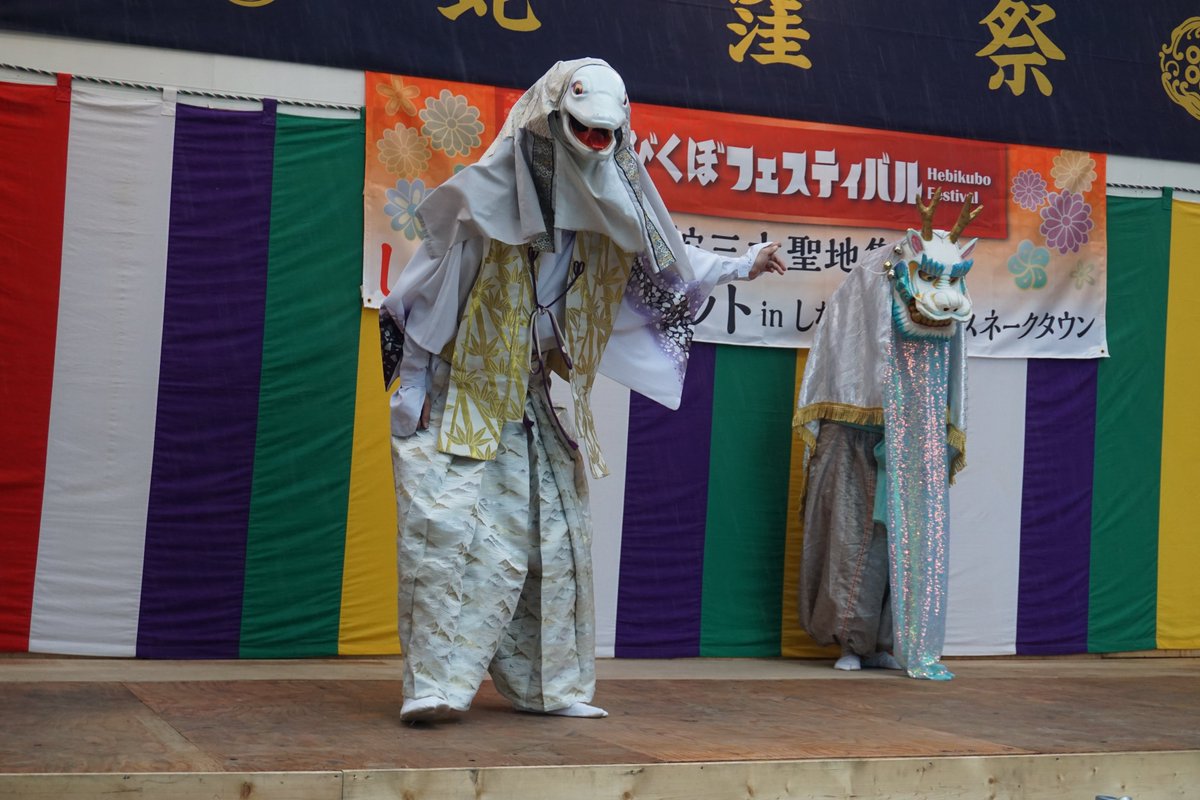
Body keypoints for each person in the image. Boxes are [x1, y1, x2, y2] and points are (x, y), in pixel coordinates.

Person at [379, 58, 785, 722]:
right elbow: (433, 290)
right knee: (448, 531)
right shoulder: (490, 201)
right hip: (464, 390)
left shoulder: (609, 202)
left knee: (557, 537)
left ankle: (552, 687)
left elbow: (666, 256)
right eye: (584, 131)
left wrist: (743, 263)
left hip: (530, 398)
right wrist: (416, 380)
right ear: (551, 120)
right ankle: (437, 685)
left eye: (606, 135)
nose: (596, 145)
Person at [794, 189, 979, 680]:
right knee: (857, 539)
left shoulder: (945, 319)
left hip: (916, 437)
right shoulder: (873, 280)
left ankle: (896, 641)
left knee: (910, 538)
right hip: (862, 432)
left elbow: (946, 363)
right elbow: (855, 347)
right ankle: (851, 640)